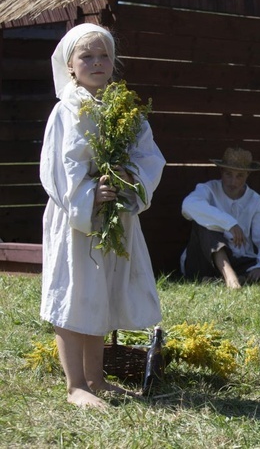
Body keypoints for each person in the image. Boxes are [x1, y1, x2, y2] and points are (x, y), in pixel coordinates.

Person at [40, 24, 165, 408]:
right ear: (71, 65)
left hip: (114, 214)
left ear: (114, 62)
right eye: (86, 56)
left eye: (104, 55)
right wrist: (90, 194)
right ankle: (75, 384)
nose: (97, 62)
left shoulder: (123, 109)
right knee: (74, 291)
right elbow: (58, 167)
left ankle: (97, 378)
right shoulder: (67, 110)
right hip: (76, 220)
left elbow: (149, 156)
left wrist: (130, 180)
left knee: (100, 293)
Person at [181, 147, 260, 289]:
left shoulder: (256, 200)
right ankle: (231, 278)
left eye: (239, 175)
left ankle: (226, 280)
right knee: (204, 224)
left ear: (247, 175)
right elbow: (188, 205)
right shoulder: (208, 189)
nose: (233, 181)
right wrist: (229, 224)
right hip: (202, 262)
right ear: (221, 171)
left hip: (238, 261)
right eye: (228, 174)